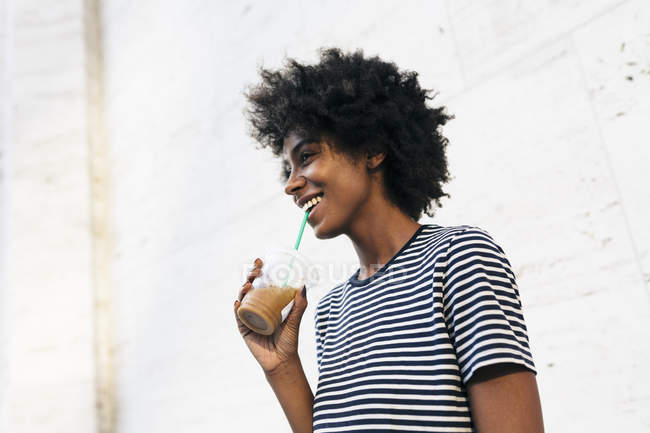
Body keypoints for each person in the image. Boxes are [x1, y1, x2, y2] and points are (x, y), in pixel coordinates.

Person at [234, 48, 544, 433]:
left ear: (371, 149)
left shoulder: (458, 258)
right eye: (289, 167)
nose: (291, 183)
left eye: (307, 156)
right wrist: (282, 367)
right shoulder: (331, 312)